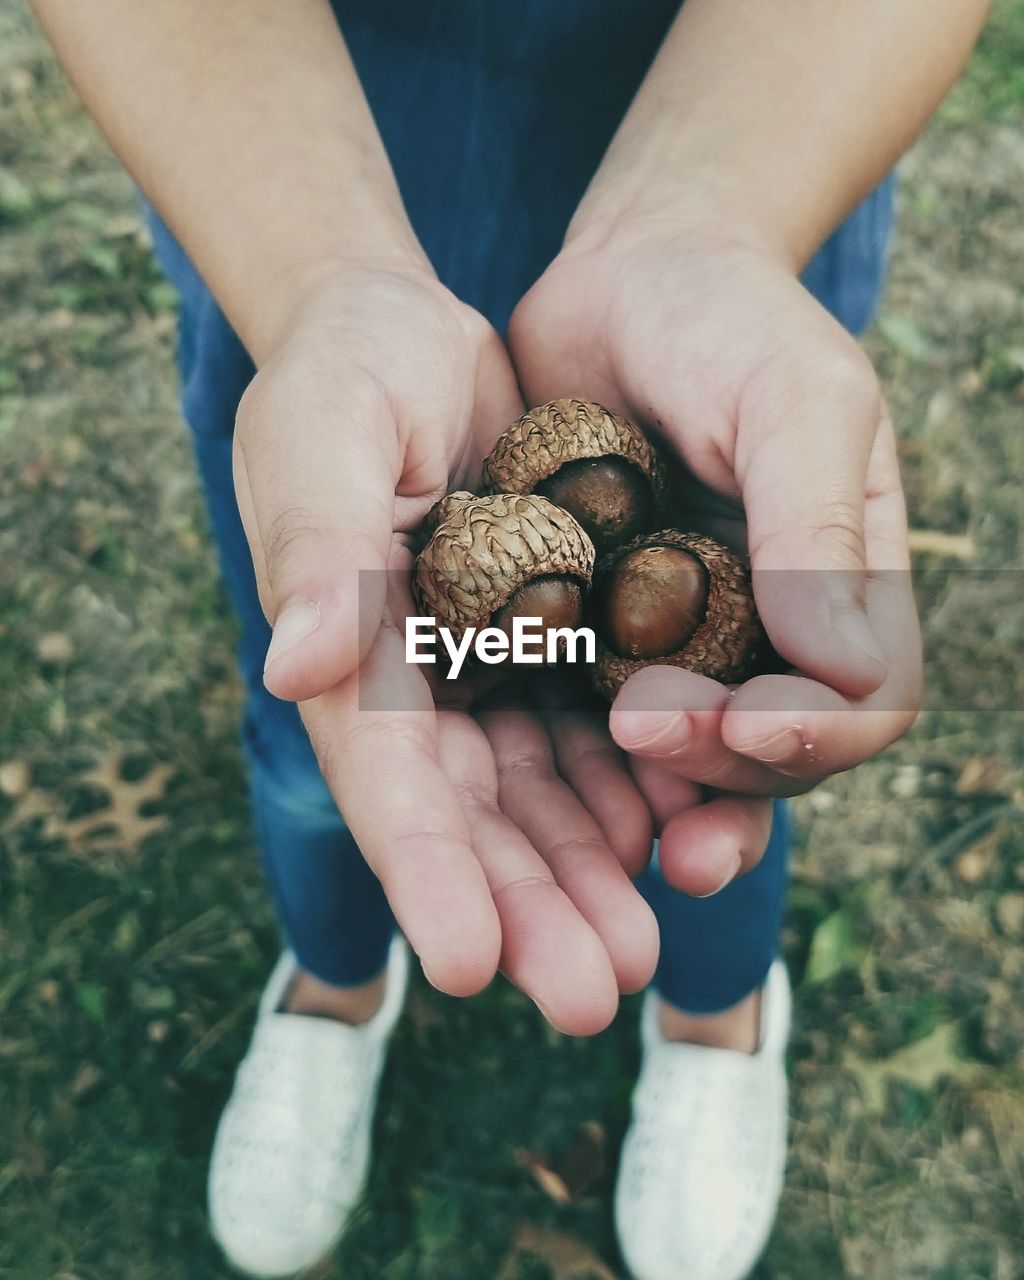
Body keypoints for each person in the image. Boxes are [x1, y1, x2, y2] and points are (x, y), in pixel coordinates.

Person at [30, 1, 986, 1277]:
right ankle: (334, 975)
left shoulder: (649, 532)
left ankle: (715, 1010)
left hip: (754, 145)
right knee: (326, 697)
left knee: (720, 742)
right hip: (279, 187)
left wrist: (707, 219)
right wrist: (320, 277)